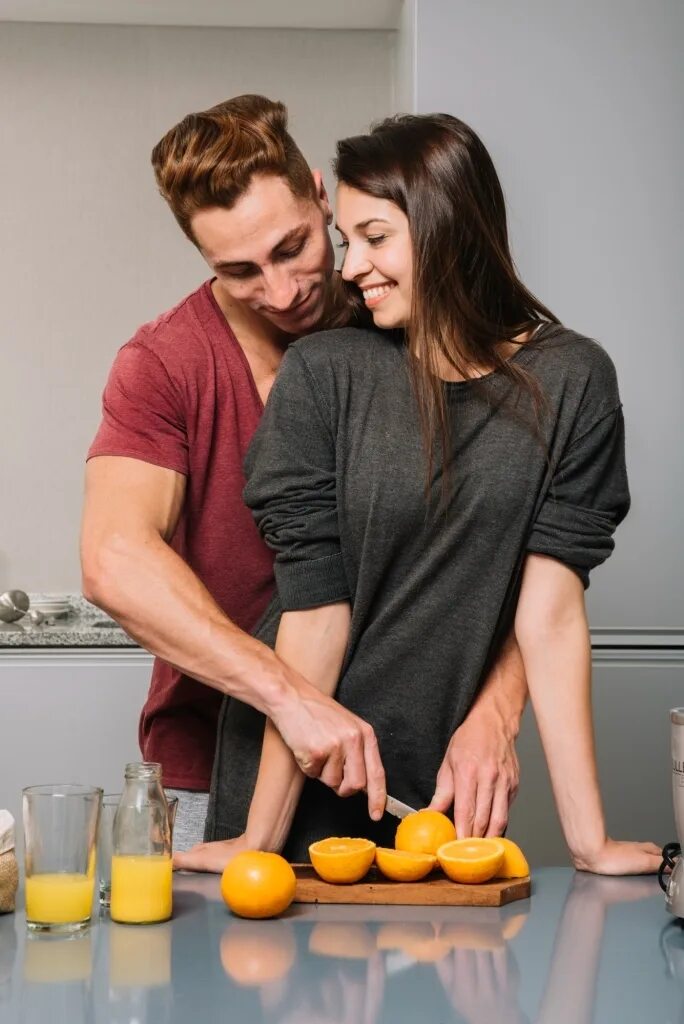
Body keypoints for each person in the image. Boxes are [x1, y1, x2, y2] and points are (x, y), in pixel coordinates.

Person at [181, 112, 661, 874]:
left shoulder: (573, 380)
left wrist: (589, 841)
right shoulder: (325, 372)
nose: (348, 268)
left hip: (436, 798)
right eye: (347, 241)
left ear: (446, 226)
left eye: (374, 237)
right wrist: (256, 840)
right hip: (299, 774)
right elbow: (314, 611)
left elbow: (552, 616)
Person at [81, 97, 528, 851]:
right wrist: (290, 699)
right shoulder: (163, 364)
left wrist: (499, 707)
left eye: (293, 247)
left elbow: (517, 546)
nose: (283, 290)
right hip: (209, 769)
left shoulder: (412, 323)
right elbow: (113, 560)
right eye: (240, 271)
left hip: (410, 776)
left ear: (323, 197)